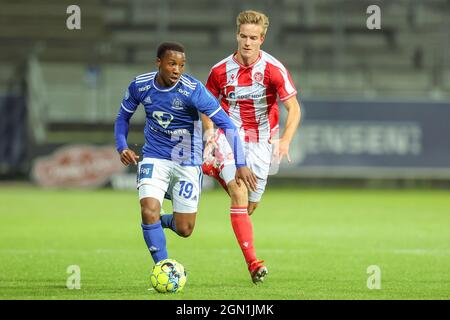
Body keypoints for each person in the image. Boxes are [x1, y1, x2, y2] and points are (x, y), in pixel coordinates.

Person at [114, 42, 256, 266]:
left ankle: (154, 224)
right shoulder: (140, 86)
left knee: (185, 228)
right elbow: (123, 117)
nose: (177, 70)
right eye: (172, 64)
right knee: (148, 210)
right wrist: (122, 146)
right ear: (158, 63)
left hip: (186, 160)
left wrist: (241, 163)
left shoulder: (193, 89)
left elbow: (226, 124)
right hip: (154, 157)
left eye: (181, 65)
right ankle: (163, 267)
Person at [201, 10, 302, 284]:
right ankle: (254, 264)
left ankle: (213, 169)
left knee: (250, 205)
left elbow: (293, 108)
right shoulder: (220, 71)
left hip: (262, 141)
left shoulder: (273, 69)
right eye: (243, 36)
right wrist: (210, 133)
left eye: (253, 38)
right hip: (229, 134)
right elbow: (207, 106)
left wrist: (285, 140)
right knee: (238, 190)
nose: (247, 42)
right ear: (237, 35)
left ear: (262, 39)